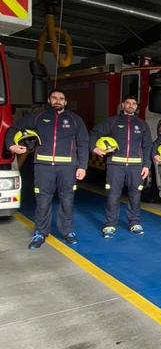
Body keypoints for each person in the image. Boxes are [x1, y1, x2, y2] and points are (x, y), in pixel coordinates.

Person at [6, 89, 89, 249]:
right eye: (54, 98)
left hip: (67, 168)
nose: (58, 100)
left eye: (61, 98)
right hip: (43, 167)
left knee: (67, 200)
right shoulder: (38, 117)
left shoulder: (75, 120)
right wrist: (11, 145)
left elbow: (83, 143)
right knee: (43, 201)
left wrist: (83, 166)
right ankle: (40, 233)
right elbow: (14, 129)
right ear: (49, 100)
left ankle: (68, 232)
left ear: (66, 102)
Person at [90, 95, 153, 238]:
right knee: (113, 195)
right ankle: (110, 225)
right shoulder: (112, 121)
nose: (131, 105)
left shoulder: (142, 124)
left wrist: (147, 166)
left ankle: (134, 223)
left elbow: (147, 145)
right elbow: (94, 132)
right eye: (128, 103)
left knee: (135, 195)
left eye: (134, 104)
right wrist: (94, 148)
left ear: (137, 107)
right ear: (122, 105)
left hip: (136, 166)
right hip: (115, 165)